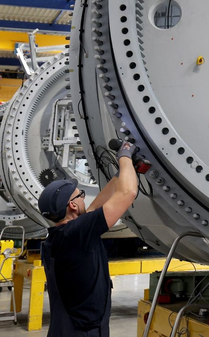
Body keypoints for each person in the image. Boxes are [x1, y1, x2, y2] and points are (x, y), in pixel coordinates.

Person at [37, 141, 139, 336]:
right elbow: (128, 193)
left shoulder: (60, 236)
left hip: (66, 327)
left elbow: (96, 206)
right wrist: (125, 154)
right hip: (84, 331)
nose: (84, 198)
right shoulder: (77, 233)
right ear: (73, 206)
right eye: (80, 195)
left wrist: (123, 172)